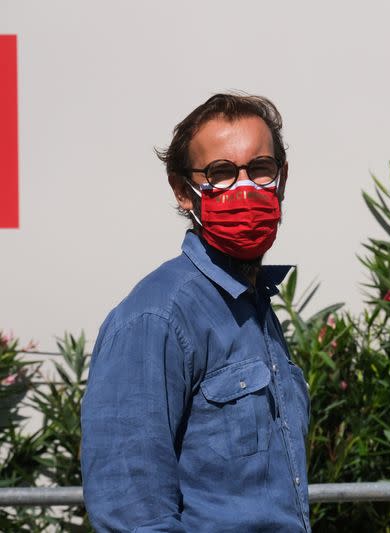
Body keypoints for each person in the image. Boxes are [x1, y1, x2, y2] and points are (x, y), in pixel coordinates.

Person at [80, 93, 311, 532]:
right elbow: (130, 513)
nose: (245, 189)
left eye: (260, 169)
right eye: (221, 174)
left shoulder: (255, 307)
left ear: (281, 178)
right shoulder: (157, 317)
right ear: (184, 191)